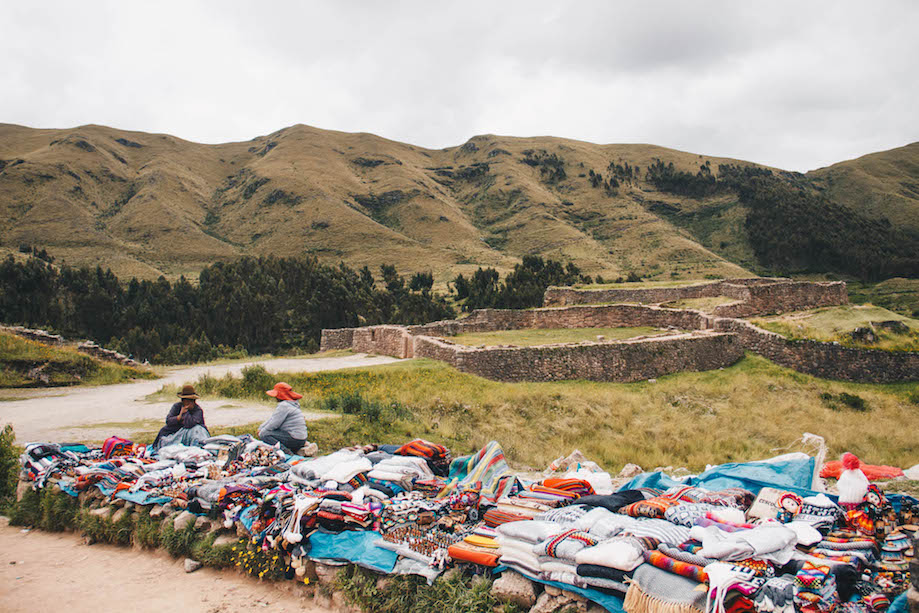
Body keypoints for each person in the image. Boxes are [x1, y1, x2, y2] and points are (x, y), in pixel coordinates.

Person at [151, 384, 210, 450]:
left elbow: (189, 424)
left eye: (191, 400)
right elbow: (168, 421)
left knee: (197, 430)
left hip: (191, 434)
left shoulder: (198, 410)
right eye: (187, 400)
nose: (189, 402)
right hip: (176, 432)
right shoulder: (176, 406)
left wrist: (186, 412)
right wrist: (179, 417)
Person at [258, 382, 308, 454]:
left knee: (265, 434)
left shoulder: (284, 406)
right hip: (301, 439)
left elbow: (274, 424)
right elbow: (272, 418)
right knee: (264, 432)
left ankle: (285, 452)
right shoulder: (291, 404)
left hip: (295, 439)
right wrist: (261, 428)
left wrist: (261, 432)